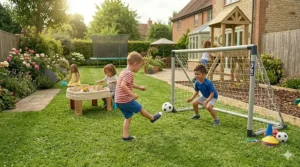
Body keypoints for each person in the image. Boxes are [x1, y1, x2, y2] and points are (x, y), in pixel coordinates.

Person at [115, 51, 162, 141]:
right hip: (125, 100)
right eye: (140, 66)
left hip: (118, 101)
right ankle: (152, 118)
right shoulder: (129, 73)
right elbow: (123, 85)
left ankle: (125, 136)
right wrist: (132, 95)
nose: (139, 68)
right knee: (140, 108)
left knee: (128, 117)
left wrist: (140, 88)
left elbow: (129, 84)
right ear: (135, 63)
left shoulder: (124, 71)